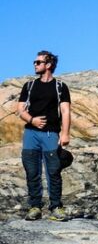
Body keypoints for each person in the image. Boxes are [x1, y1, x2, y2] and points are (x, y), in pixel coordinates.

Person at [17, 50, 71, 221]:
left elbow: (65, 111)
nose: (35, 64)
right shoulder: (29, 85)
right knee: (32, 172)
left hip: (50, 134)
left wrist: (65, 133)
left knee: (53, 172)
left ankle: (56, 207)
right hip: (31, 134)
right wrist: (32, 120)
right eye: (35, 62)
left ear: (48, 65)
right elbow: (20, 110)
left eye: (38, 62)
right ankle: (35, 207)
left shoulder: (60, 87)